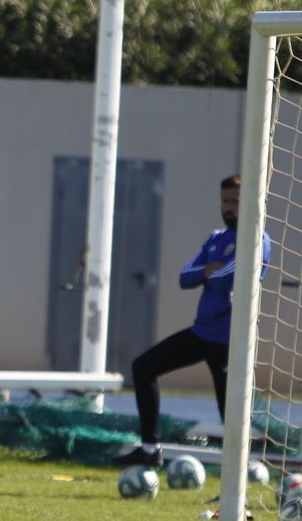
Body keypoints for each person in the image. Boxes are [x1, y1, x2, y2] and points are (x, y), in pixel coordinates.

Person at [112, 174, 273, 468]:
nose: (229, 208)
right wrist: (207, 271)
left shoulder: (257, 240)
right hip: (202, 333)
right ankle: (150, 449)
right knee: (143, 367)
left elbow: (227, 277)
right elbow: (185, 276)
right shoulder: (216, 238)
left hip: (230, 340)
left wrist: (208, 272)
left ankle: (242, 468)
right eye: (225, 201)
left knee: (230, 409)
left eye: (236, 201)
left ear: (252, 203)